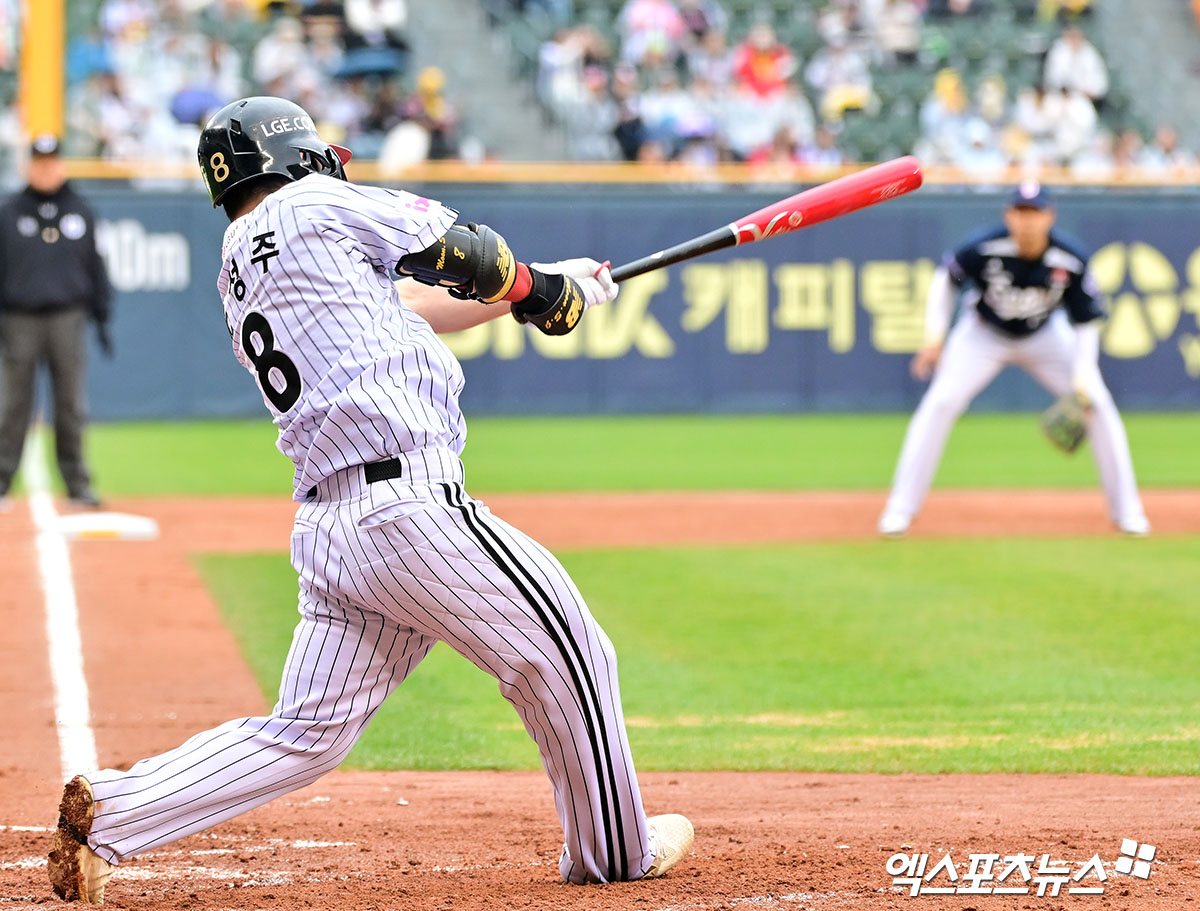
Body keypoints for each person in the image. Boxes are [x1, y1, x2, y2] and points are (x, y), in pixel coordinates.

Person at [46, 96, 694, 904]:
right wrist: (532, 288)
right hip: (409, 508)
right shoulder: (315, 201)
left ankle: (111, 811)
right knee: (570, 649)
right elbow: (466, 249)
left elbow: (413, 306)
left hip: (335, 528)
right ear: (291, 156)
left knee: (304, 734)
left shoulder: (239, 262)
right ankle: (618, 850)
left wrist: (555, 287)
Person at [877, 182, 1149, 538]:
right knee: (940, 403)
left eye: (1035, 212)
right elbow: (946, 279)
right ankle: (899, 510)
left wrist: (1083, 376)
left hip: (1046, 337)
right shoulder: (984, 247)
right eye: (1020, 212)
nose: (1027, 221)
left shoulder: (1070, 257)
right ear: (1008, 215)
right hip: (982, 335)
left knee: (1097, 404)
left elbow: (1085, 324)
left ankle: (1127, 513)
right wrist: (935, 336)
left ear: (1050, 216)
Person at [0, 135, 111, 509]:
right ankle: (1, 482)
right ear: (29, 166)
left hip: (67, 315)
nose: (46, 169)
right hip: (19, 318)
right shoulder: (10, 212)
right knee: (13, 404)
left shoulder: (80, 209)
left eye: (51, 161)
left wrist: (103, 314)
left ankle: (77, 483)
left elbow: (96, 266)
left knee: (70, 405)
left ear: (60, 164)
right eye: (39, 162)